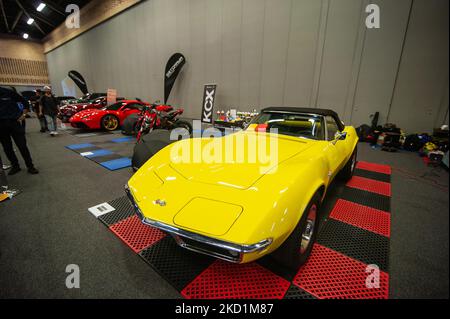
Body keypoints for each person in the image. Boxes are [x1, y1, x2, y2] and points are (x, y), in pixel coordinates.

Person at [0, 87, 39, 175]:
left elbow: (24, 102)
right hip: (1, 126)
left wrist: (24, 114)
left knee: (22, 146)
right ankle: (15, 166)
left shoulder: (8, 92)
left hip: (14, 123)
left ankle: (30, 166)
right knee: (7, 148)